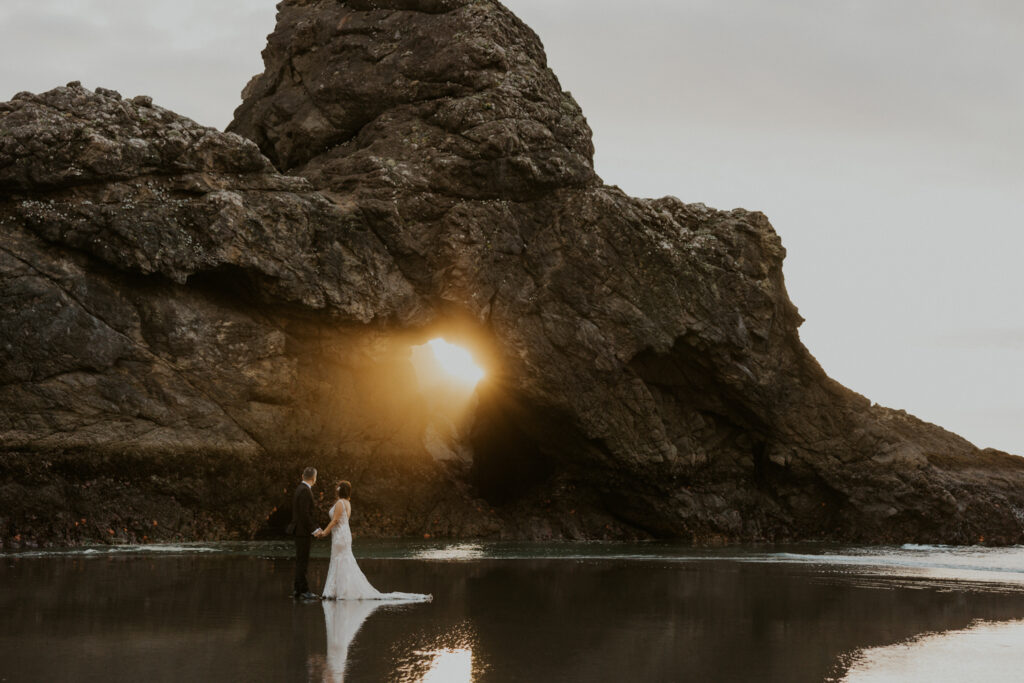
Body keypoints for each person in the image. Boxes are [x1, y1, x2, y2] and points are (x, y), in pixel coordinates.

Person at [315, 480, 431, 602]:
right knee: (342, 560)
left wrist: (324, 533)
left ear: (339, 490)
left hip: (340, 535)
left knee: (340, 560)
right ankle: (339, 590)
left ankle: (340, 590)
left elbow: (335, 521)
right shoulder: (347, 503)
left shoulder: (339, 503)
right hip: (343, 534)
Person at [290, 467, 319, 600]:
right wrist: (314, 529)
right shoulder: (305, 491)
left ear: (302, 476)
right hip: (303, 531)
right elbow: (304, 514)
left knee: (300, 561)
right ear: (314, 479)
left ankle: (298, 589)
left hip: (299, 530)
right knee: (303, 561)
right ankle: (304, 591)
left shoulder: (299, 489)